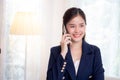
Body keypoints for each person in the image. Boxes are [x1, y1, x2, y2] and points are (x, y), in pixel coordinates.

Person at [46, 7, 104, 80]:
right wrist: (63, 54)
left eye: (81, 25)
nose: (77, 30)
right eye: (72, 26)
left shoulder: (95, 52)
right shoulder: (55, 51)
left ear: (85, 26)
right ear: (65, 28)